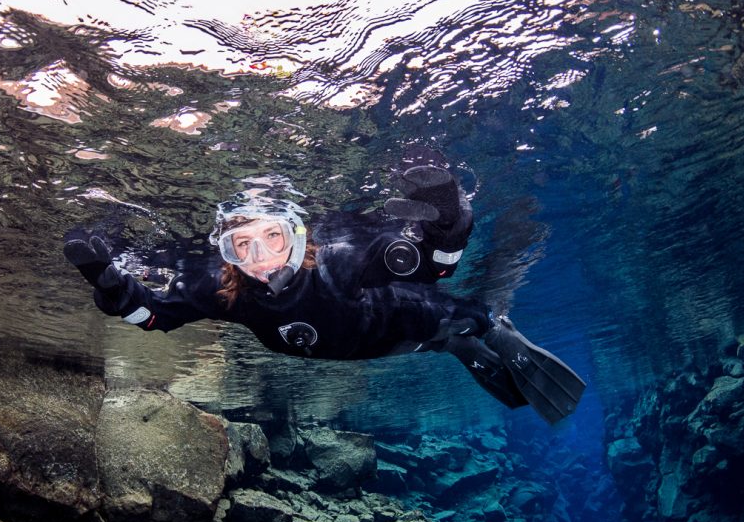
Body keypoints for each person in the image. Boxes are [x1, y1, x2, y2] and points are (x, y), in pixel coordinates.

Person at [64, 166, 585, 424]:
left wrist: (448, 224)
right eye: (241, 246)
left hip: (410, 326)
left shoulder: (340, 256)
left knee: (451, 318)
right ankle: (462, 346)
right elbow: (152, 319)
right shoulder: (222, 289)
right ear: (226, 252)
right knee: (444, 338)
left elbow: (430, 268)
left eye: (273, 237)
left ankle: (490, 330)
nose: (262, 258)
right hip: (375, 346)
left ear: (297, 233)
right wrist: (110, 283)